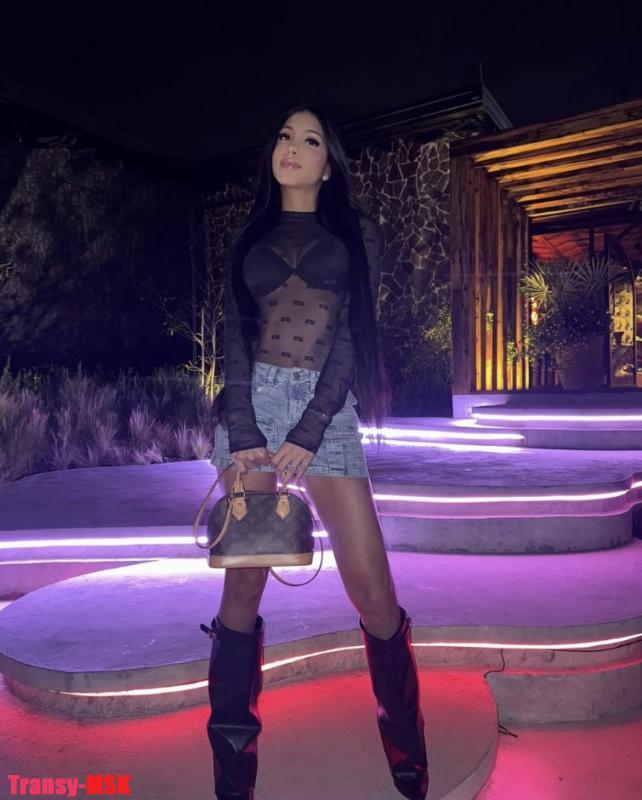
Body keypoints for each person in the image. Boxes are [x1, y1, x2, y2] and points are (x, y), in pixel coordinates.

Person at [204, 102, 428, 800]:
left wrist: (309, 429)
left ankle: (408, 752)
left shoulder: (357, 234)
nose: (291, 148)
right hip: (252, 407)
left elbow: (353, 336)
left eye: (308, 139)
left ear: (328, 165)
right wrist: (244, 429)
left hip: (324, 412)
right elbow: (233, 338)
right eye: (283, 136)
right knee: (243, 585)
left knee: (375, 594)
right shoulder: (248, 237)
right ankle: (233, 772)